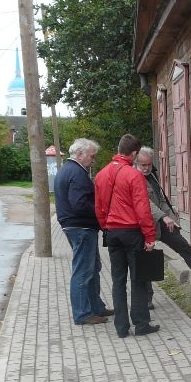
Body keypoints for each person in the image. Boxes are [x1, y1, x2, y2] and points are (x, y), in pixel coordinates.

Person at [134, 147, 191, 311]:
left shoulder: (152, 175)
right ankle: (147, 298)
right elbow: (144, 202)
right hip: (143, 224)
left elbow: (159, 199)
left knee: (183, 246)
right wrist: (163, 216)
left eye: (149, 164)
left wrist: (170, 215)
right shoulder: (133, 177)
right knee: (145, 259)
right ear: (136, 163)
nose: (146, 168)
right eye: (143, 165)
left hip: (162, 221)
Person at [94, 134, 159, 338]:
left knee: (117, 280)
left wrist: (106, 226)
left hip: (111, 233)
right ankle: (141, 324)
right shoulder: (133, 175)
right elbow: (143, 209)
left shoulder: (101, 174)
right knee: (139, 278)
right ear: (133, 153)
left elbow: (98, 208)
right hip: (132, 232)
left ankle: (121, 327)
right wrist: (150, 237)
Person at [54, 138, 112, 325]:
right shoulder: (77, 173)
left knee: (93, 267)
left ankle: (96, 308)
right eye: (91, 156)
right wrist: (101, 210)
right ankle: (82, 313)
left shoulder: (67, 170)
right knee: (83, 270)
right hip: (81, 226)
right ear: (80, 154)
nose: (93, 161)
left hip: (75, 225)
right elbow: (79, 204)